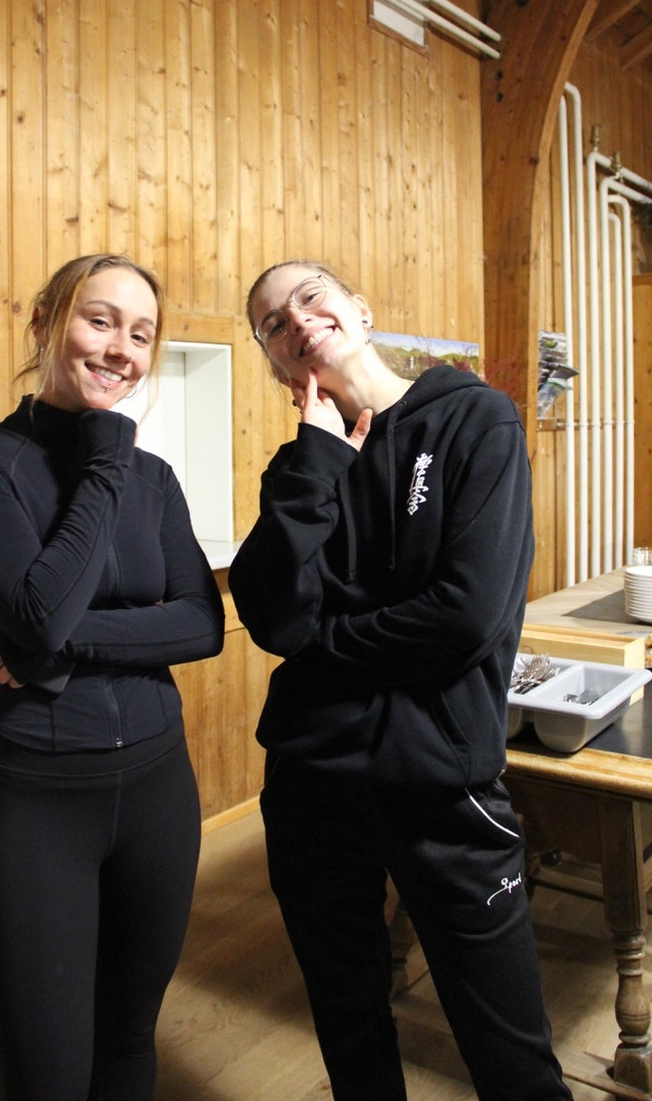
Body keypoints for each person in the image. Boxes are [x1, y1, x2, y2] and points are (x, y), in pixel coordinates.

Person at [228, 260, 573, 1101]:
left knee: (511, 1054)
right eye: (273, 322)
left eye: (310, 297)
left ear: (360, 310)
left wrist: (320, 643)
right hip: (311, 784)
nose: (296, 320)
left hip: (441, 783)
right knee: (349, 1027)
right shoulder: (296, 469)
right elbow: (270, 615)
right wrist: (316, 462)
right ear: (275, 362)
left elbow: (464, 616)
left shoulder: (473, 418)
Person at [0, 254, 225, 1101]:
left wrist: (52, 645)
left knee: (130, 1038)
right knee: (48, 1072)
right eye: (100, 320)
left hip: (160, 791)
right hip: (41, 802)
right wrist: (102, 461)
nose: (121, 348)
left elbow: (201, 624)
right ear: (44, 322)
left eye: (141, 333)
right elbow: (39, 612)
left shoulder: (154, 478)